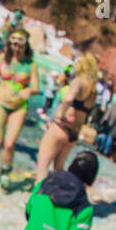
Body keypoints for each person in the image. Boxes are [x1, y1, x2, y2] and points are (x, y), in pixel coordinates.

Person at [0, 30, 39, 190]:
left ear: (25, 45)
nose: (15, 47)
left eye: (19, 45)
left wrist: (29, 91)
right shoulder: (3, 59)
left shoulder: (31, 64)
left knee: (10, 143)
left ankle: (5, 171)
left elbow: (36, 87)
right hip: (1, 102)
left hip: (19, 107)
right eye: (13, 44)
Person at [35, 52, 97, 182]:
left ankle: (36, 199)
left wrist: (59, 116)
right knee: (58, 168)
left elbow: (68, 98)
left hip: (61, 126)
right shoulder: (93, 89)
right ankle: (60, 197)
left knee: (42, 167)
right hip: (73, 133)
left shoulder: (78, 81)